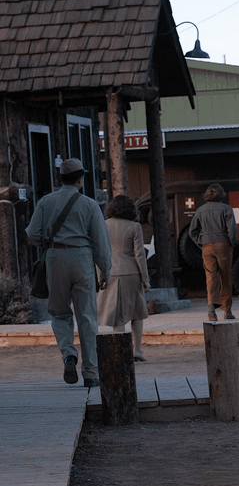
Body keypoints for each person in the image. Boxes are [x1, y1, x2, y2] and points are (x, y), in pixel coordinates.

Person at [26, 158, 111, 387]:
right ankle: (91, 374)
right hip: (82, 258)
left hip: (55, 258)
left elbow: (32, 235)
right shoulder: (90, 204)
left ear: (60, 178)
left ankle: (69, 355)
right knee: (87, 318)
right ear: (81, 179)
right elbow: (101, 242)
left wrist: (49, 239)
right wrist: (105, 270)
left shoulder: (45, 202)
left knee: (59, 313)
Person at [97, 195, 150, 362]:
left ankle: (120, 351)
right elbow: (140, 255)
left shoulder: (104, 226)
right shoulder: (135, 226)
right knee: (137, 312)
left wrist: (100, 275)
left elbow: (99, 252)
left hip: (111, 272)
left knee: (117, 315)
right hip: (131, 272)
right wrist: (145, 279)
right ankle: (138, 350)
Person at [189, 183, 238, 321]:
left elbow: (192, 231)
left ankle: (211, 310)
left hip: (207, 245)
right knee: (225, 277)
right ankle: (227, 311)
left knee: (211, 278)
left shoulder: (200, 210)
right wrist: (232, 243)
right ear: (222, 194)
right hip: (224, 245)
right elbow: (232, 231)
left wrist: (201, 242)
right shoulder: (227, 209)